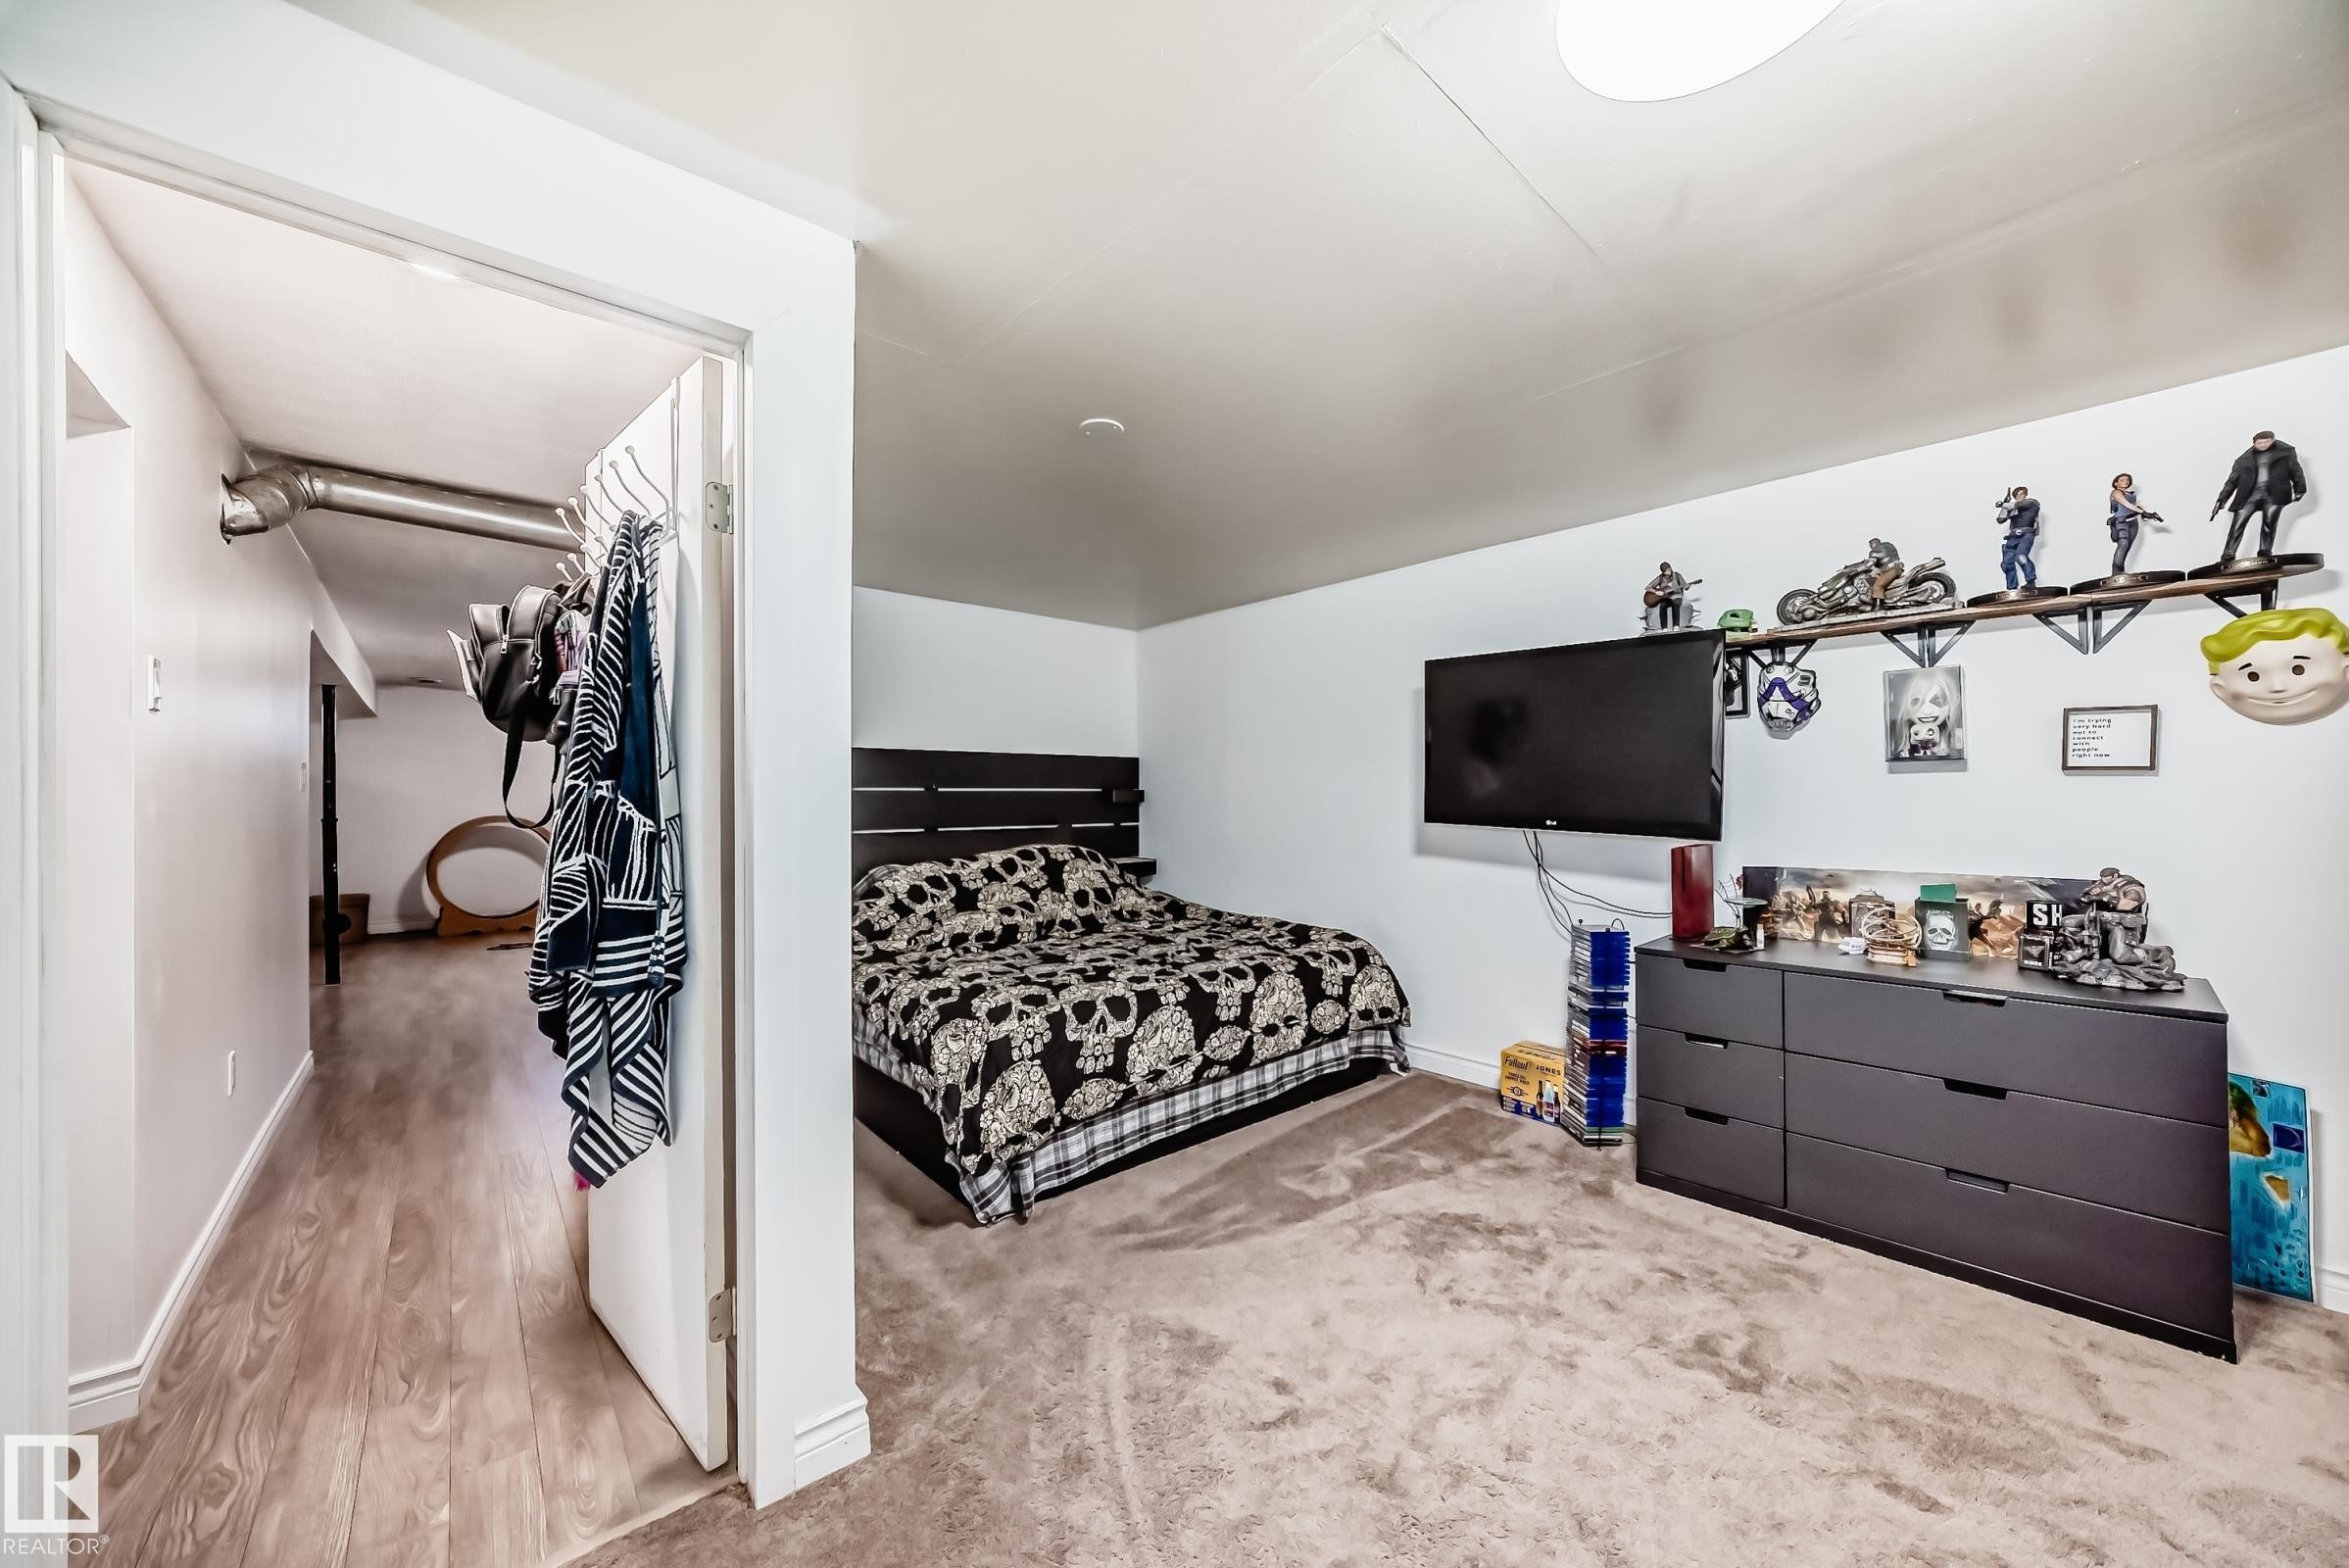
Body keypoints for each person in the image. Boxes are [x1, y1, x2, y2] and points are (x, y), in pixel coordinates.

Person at [2210, 431, 2307, 563]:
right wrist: (2222, 499)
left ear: (2272, 440)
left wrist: (2300, 488)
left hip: (2274, 495)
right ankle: (2228, 554)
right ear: (2254, 443)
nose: (2263, 445)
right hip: (2248, 497)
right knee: (2237, 524)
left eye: (2266, 442)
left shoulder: (2285, 452)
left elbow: (2296, 470)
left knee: (2269, 524)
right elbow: (2231, 481)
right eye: (2259, 443)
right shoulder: (2243, 459)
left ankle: (2265, 552)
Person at [2106, 473, 2161, 576]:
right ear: (2116, 483)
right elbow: (2127, 504)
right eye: (2122, 480)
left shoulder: (2130, 494)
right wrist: (2143, 512)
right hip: (2122, 522)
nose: (2125, 482)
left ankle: (2121, 571)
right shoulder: (2116, 493)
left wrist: (2146, 513)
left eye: (2127, 480)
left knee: (2127, 547)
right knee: (2123, 545)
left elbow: (2135, 506)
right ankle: (2116, 572)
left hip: (2133, 522)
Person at [1994, 486, 2040, 590]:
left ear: (2025, 495)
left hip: (2026, 534)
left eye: (2022, 494)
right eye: (2017, 495)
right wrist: (2005, 505)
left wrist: (2004, 504)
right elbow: (2000, 519)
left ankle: (2031, 582)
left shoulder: (2032, 503)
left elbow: (2019, 504)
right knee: (2007, 563)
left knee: (2021, 557)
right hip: (2012, 536)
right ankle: (2012, 588)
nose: (2020, 496)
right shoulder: (2012, 508)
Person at [1643, 562, 1689, 629]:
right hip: (1666, 597)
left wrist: (1687, 586)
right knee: (1662, 606)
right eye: (1666, 571)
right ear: (1663, 572)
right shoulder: (1660, 578)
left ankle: (1676, 626)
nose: (1668, 572)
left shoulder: (1677, 576)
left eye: (1669, 569)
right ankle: (1664, 628)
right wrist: (1656, 592)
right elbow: (1647, 587)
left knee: (1676, 605)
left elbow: (1685, 587)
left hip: (1677, 596)